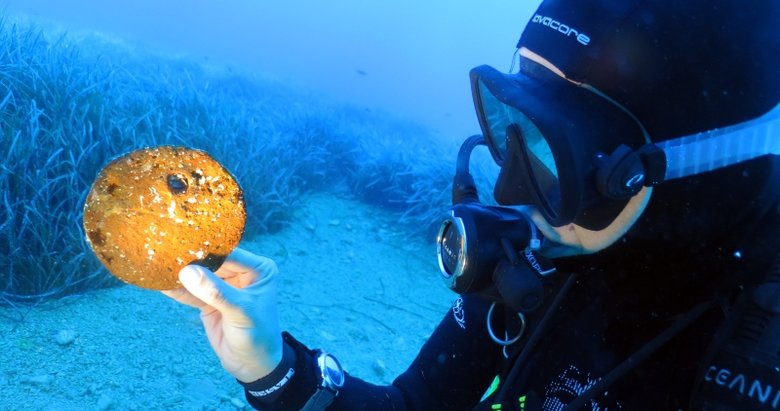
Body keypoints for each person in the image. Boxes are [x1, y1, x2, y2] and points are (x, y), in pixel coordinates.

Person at [163, 0, 780, 409]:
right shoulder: (544, 252)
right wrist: (273, 368)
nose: (512, 190)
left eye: (560, 148)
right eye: (515, 120)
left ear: (695, 170)